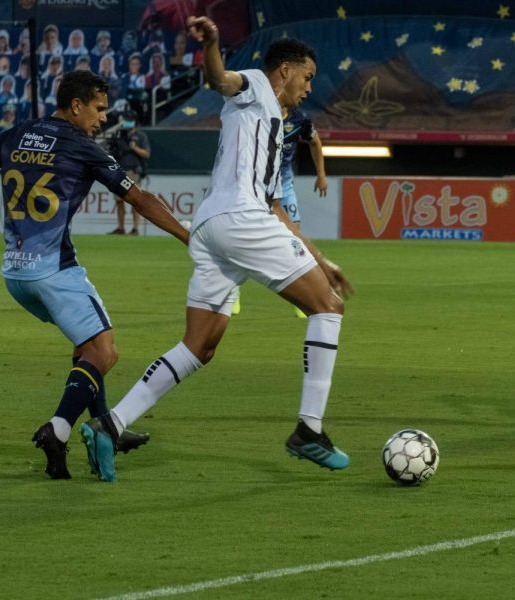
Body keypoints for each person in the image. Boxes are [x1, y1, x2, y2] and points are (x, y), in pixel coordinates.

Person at [79, 16, 354, 483]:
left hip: (214, 227)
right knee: (328, 307)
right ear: (284, 71)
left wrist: (320, 259)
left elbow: (276, 209)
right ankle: (309, 429)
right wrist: (212, 43)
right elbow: (218, 78)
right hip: (239, 220)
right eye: (307, 77)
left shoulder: (273, 126)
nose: (310, 88)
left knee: (199, 347)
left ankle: (110, 424)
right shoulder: (257, 88)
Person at [0, 70, 191, 480]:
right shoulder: (82, 146)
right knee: (105, 352)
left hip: (15, 274)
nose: (103, 118)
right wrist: (189, 237)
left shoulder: (17, 134)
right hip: (53, 270)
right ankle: (59, 429)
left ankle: (105, 429)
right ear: (76, 106)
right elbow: (140, 198)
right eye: (99, 110)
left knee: (86, 350)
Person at [236, 105, 328, 318]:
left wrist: (321, 174)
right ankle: (233, 290)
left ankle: (301, 298)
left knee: (295, 237)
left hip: (284, 185)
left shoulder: (300, 119)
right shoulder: (260, 114)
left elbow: (314, 142)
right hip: (257, 185)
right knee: (247, 237)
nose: (304, 92)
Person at [107, 109, 150, 235]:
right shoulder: (118, 135)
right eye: (125, 119)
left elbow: (147, 154)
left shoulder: (141, 136)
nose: (127, 122)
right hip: (119, 171)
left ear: (134, 121)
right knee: (119, 201)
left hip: (133, 171)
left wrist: (135, 148)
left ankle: (135, 228)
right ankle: (121, 228)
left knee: (135, 201)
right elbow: (111, 151)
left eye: (129, 120)